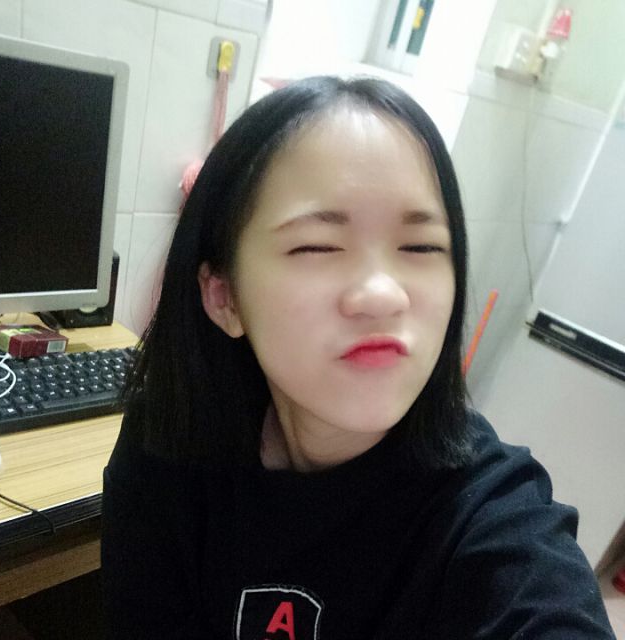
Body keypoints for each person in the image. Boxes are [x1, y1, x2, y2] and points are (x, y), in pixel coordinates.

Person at [101, 76, 616, 639]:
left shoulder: (492, 512)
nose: (383, 293)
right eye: (317, 246)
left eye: (421, 247)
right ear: (223, 296)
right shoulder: (167, 449)